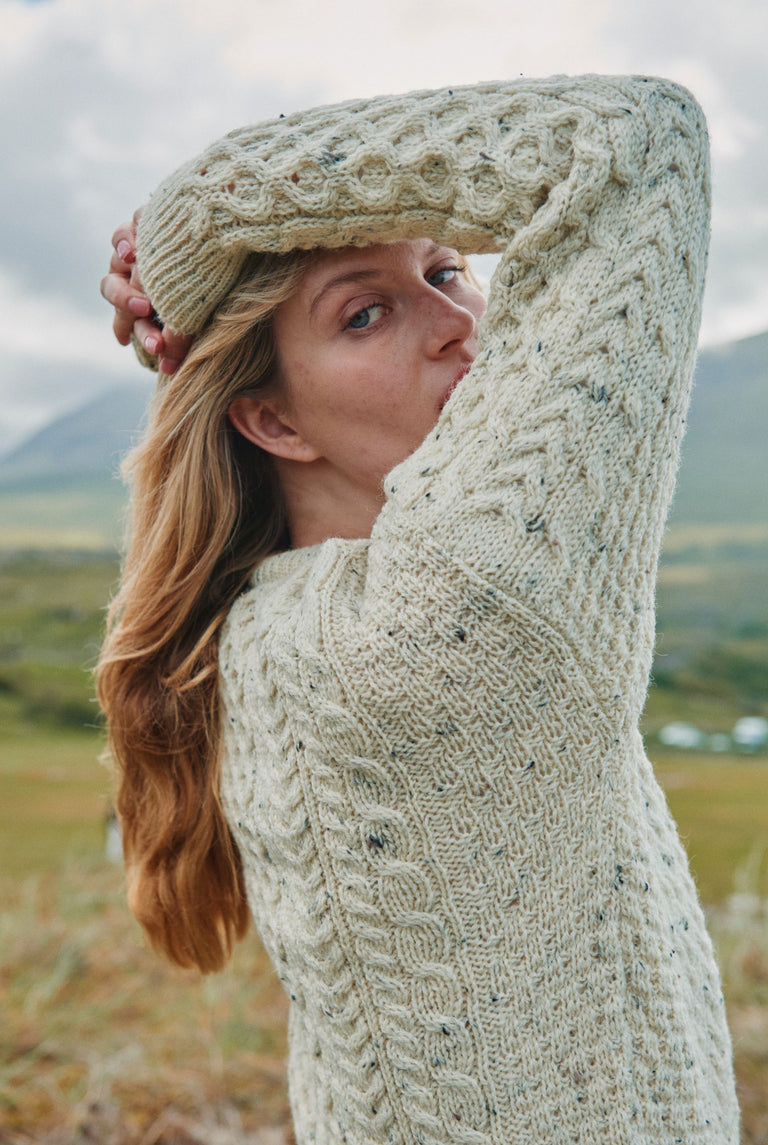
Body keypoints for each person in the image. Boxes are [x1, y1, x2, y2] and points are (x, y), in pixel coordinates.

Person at [98, 76, 740, 1143]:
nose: (458, 323)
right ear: (271, 420)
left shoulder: (258, 627)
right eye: (366, 312)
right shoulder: (448, 609)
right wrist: (205, 209)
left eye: (446, 269)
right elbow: (637, 140)